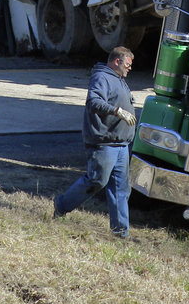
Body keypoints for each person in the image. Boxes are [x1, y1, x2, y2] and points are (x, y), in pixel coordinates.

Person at [54, 46, 137, 238]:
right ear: (117, 61)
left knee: (121, 189)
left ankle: (120, 233)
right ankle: (61, 205)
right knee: (96, 180)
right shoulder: (102, 77)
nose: (130, 68)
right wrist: (117, 111)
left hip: (121, 145)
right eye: (127, 64)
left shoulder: (120, 80)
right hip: (104, 143)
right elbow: (93, 102)